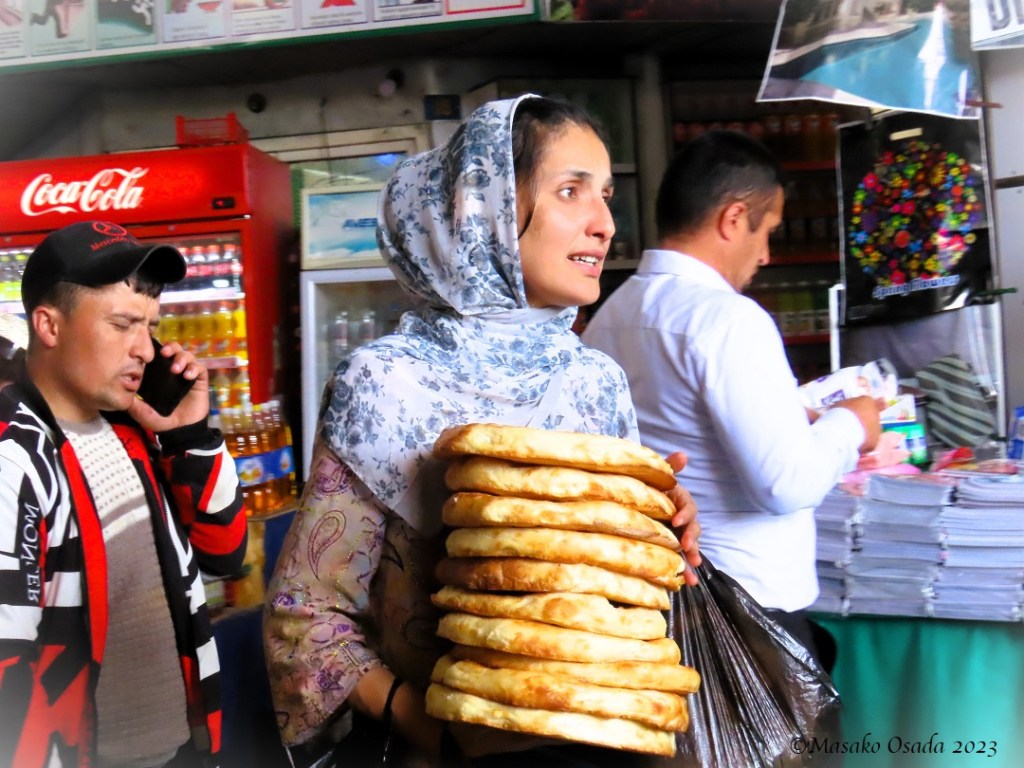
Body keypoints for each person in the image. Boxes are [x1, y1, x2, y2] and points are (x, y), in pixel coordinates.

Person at [263, 95, 702, 768]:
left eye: (606, 195)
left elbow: (618, 611)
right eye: (570, 192)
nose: (606, 223)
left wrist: (661, 533)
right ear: (485, 212)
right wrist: (433, 727)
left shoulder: (596, 382)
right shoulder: (385, 386)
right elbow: (305, 619)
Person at [583, 129, 881, 671]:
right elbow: (784, 484)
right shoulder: (729, 320)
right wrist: (851, 423)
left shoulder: (613, 314)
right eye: (766, 231)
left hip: (657, 598)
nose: (766, 255)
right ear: (733, 218)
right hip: (748, 608)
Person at [0, 220, 248, 768]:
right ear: (49, 325)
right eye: (122, 324)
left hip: (182, 746)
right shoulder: (13, 459)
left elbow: (226, 554)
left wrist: (190, 434)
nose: (146, 348)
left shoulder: (134, 432)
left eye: (151, 326)